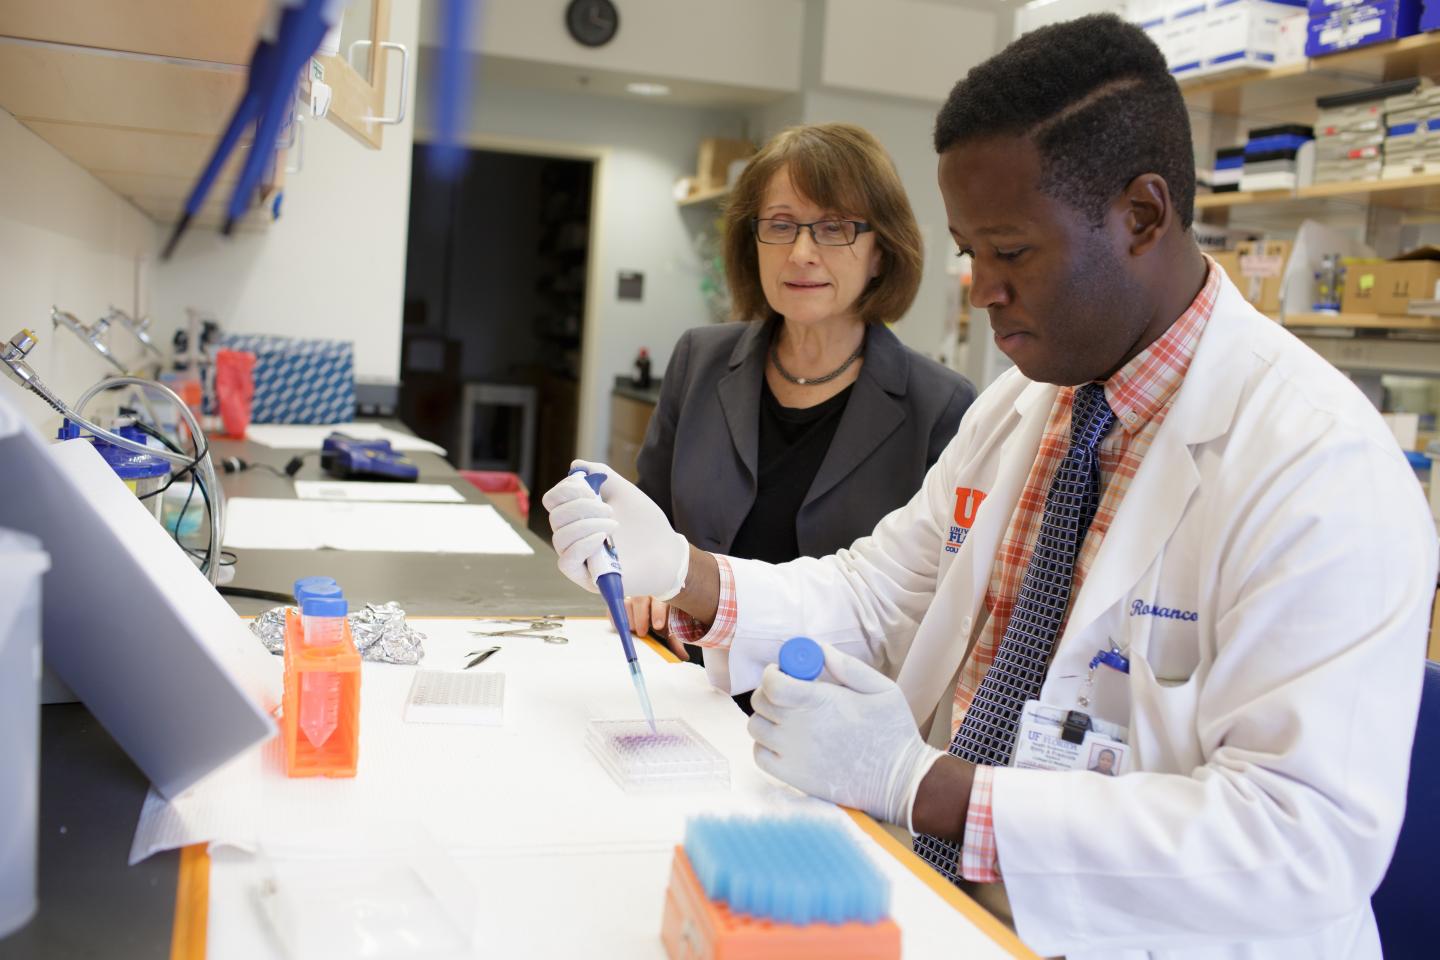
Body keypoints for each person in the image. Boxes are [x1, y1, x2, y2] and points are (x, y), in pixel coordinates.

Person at [544, 15, 1435, 959]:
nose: (978, 289)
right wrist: (685, 571)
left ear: (1142, 215)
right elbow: (879, 592)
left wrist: (923, 784)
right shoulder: (1027, 408)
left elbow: (1301, 843)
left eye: (1011, 252)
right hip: (940, 902)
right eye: (972, 251)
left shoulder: (1319, 467)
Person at [626, 122, 975, 673]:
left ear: (881, 251)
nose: (802, 252)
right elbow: (648, 522)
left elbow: (929, 608)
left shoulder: (942, 407)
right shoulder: (699, 360)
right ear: (752, 242)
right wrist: (640, 583)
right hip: (684, 681)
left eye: (834, 228)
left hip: (830, 708)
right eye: (781, 225)